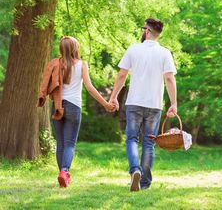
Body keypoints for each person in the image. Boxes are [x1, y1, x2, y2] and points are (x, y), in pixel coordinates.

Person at [109, 18, 177, 192]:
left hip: (134, 103)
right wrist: (173, 104)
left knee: (132, 139)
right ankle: (144, 183)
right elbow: (169, 78)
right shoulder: (165, 53)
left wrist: (114, 97)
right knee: (148, 143)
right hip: (154, 104)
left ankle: (135, 170)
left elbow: (122, 75)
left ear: (147, 30)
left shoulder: (134, 49)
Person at [38, 36, 114, 188]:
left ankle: (62, 175)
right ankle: (64, 172)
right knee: (70, 144)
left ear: (61, 49)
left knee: (60, 144)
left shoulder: (55, 64)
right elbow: (90, 88)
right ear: (75, 48)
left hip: (58, 106)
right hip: (73, 107)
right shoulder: (81, 65)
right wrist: (106, 104)